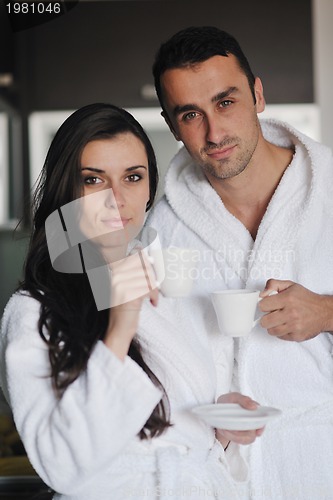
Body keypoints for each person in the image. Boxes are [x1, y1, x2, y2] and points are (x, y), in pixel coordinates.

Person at [0, 103, 262, 500]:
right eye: (93, 180)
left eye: (133, 177)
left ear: (148, 192)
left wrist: (218, 425)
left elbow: (180, 438)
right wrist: (121, 325)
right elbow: (62, 466)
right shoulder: (33, 312)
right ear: (64, 191)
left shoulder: (166, 294)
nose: (116, 199)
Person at [147, 26, 333, 499]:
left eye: (225, 102)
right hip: (221, 479)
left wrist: (328, 311)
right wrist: (202, 414)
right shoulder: (161, 228)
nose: (214, 132)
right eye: (191, 114)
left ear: (257, 94)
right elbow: (152, 363)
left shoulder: (329, 191)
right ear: (172, 125)